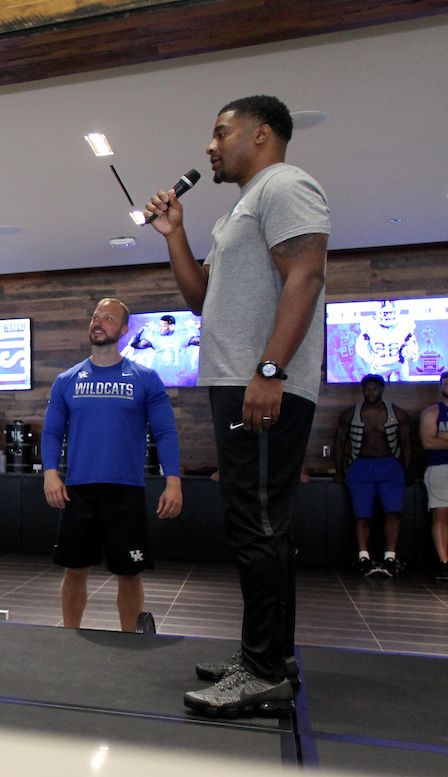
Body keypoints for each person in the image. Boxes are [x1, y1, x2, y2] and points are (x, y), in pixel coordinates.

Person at [145, 95, 329, 715]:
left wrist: (270, 370)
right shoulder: (240, 211)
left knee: (257, 526)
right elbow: (202, 300)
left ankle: (262, 672)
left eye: (221, 131)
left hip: (263, 384)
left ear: (262, 133)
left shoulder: (285, 184)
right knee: (260, 526)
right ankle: (269, 655)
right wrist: (176, 235)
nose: (210, 145)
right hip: (240, 382)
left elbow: (306, 275)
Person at [42, 298, 183, 633]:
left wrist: (174, 481)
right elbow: (51, 431)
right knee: (74, 571)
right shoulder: (67, 379)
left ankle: (129, 640)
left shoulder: (145, 378)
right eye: (95, 317)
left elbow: (165, 432)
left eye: (108, 318)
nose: (98, 322)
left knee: (129, 573)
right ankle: (70, 637)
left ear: (123, 329)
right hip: (79, 490)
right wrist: (50, 473)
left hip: (126, 491)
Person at [333, 374, 412, 577]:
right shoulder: (350, 414)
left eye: (375, 389)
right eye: (367, 389)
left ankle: (390, 557)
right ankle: (363, 557)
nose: (371, 393)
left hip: (390, 465)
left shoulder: (397, 413)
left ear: (382, 389)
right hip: (360, 465)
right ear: (362, 390)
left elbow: (406, 443)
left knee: (394, 512)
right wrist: (340, 471)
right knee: (362, 513)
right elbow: (340, 442)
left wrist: (407, 469)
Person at [420, 371, 448, 581]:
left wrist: (442, 436)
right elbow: (428, 442)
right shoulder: (432, 412)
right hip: (439, 467)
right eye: (444, 382)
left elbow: (436, 438)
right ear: (440, 386)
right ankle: (444, 563)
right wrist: (436, 437)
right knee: (441, 515)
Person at [354, 300, 417, 382]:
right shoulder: (369, 323)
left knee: (403, 390)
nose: (388, 315)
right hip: (379, 366)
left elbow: (411, 342)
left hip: (399, 365)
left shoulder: (405, 323)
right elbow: (360, 345)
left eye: (390, 312)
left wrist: (410, 351)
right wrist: (369, 358)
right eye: (385, 313)